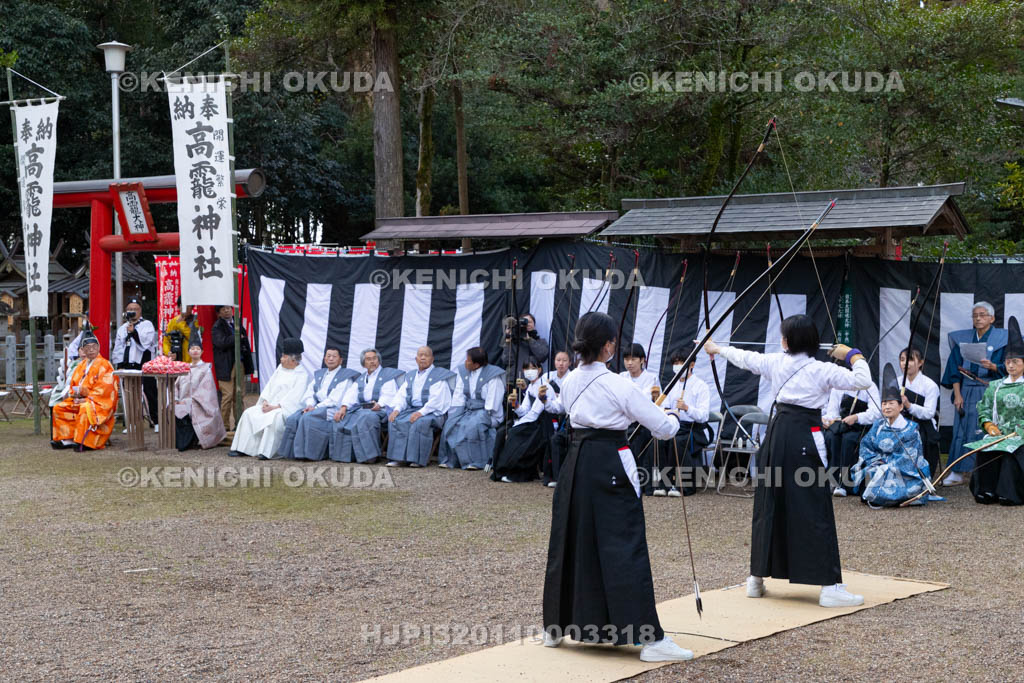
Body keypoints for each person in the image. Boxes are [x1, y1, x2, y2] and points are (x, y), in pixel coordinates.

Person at [543, 312, 691, 662]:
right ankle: (650, 640)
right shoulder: (620, 384)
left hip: (577, 463)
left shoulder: (570, 380)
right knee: (623, 544)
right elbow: (663, 429)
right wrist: (672, 415)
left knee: (571, 538)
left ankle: (555, 626)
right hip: (610, 460)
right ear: (609, 346)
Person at [704, 314, 872, 608]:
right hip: (806, 438)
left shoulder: (776, 362)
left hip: (776, 436)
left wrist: (717, 349)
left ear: (786, 342)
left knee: (769, 502)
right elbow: (863, 380)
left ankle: (756, 580)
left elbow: (745, 357)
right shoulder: (821, 370)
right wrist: (853, 355)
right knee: (813, 506)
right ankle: (829, 586)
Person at [851, 363, 940, 507]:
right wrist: (877, 462)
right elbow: (866, 446)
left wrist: (886, 466)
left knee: (890, 480)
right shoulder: (878, 426)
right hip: (879, 466)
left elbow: (910, 458)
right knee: (869, 473)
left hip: (904, 472)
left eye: (891, 403)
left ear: (900, 406)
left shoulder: (911, 429)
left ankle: (886, 495)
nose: (887, 407)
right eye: (884, 403)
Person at [940, 301, 1007, 485]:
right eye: (975, 315)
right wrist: (957, 394)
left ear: (992, 318)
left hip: (991, 389)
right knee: (963, 429)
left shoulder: (1003, 339)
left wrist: (994, 366)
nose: (978, 318)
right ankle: (958, 472)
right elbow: (954, 368)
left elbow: (1012, 366)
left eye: (983, 315)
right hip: (967, 390)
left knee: (989, 429)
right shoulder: (964, 339)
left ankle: (989, 474)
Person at [965, 316, 1024, 505]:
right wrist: (988, 425)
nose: (1011, 365)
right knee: (987, 449)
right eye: (1008, 362)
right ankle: (986, 490)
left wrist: (1018, 431)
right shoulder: (996, 385)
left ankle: (1011, 493)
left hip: (1019, 433)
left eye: (1015, 361)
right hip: (998, 431)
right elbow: (984, 407)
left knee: (1011, 453)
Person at [229, 338, 309, 458]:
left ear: (292, 359)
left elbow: (295, 398)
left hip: (283, 408)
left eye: (284, 356)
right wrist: (265, 401)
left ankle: (266, 452)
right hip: (269, 404)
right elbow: (269, 386)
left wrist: (275, 407)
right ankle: (242, 448)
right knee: (249, 413)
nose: (281, 359)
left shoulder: (302, 375)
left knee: (274, 418)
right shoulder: (280, 369)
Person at [280, 347, 358, 460]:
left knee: (308, 417)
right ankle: (289, 453)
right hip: (316, 407)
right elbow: (310, 392)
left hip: (333, 409)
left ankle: (308, 454)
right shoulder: (320, 374)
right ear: (324, 359)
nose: (331, 359)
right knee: (293, 418)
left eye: (334, 356)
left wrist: (315, 407)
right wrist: (310, 405)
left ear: (341, 360)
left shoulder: (345, 376)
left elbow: (334, 399)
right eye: (328, 356)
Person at [330, 349, 403, 463]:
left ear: (379, 360)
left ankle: (370, 456)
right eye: (368, 359)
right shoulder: (361, 378)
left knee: (365, 417)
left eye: (374, 358)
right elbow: (351, 394)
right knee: (340, 418)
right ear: (363, 363)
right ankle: (347, 456)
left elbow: (390, 394)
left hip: (382, 410)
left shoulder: (387, 375)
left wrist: (379, 404)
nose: (372, 361)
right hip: (363, 409)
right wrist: (343, 408)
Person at [386, 347, 455, 467]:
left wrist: (421, 412)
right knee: (395, 420)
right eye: (420, 355)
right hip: (412, 409)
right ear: (416, 359)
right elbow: (402, 395)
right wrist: (397, 409)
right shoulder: (411, 376)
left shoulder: (439, 375)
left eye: (426, 355)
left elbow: (437, 401)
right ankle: (398, 458)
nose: (423, 358)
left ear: (432, 359)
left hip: (432, 413)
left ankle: (416, 459)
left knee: (420, 423)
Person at [491, 360, 558, 483]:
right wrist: (515, 404)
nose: (529, 371)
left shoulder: (544, 386)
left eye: (533, 368)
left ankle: (518, 473)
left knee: (515, 433)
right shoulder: (531, 387)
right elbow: (525, 410)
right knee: (502, 432)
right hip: (532, 420)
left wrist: (518, 424)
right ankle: (502, 469)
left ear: (539, 370)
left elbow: (535, 412)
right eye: (526, 369)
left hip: (543, 422)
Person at [657, 347, 711, 497]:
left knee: (678, 441)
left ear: (691, 364)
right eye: (675, 363)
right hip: (673, 424)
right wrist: (667, 410)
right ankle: (664, 483)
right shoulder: (671, 384)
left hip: (692, 429)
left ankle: (684, 486)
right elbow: (661, 406)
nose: (677, 366)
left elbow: (704, 416)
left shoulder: (701, 386)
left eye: (681, 363)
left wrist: (687, 408)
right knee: (659, 440)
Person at [439, 347, 505, 470]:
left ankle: (475, 462)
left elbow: (493, 402)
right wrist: (455, 414)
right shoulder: (464, 372)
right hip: (468, 409)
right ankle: (453, 460)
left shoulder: (493, 375)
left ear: (476, 364)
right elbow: (459, 395)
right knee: (452, 424)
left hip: (488, 412)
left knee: (470, 426)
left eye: (468, 360)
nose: (465, 362)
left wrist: (483, 414)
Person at [51, 334, 119, 451]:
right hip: (81, 398)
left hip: (98, 402)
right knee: (59, 408)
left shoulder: (105, 365)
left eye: (94, 346)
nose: (91, 349)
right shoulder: (81, 364)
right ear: (82, 350)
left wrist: (86, 398)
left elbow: (105, 390)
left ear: (98, 348)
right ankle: (68, 438)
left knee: (84, 408)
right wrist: (75, 393)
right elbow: (73, 384)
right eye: (87, 347)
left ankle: (85, 440)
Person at [822, 382, 881, 497]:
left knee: (848, 439)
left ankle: (845, 483)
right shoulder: (839, 385)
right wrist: (828, 420)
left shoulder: (870, 386)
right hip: (841, 424)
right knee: (831, 437)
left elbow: (876, 412)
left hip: (860, 426)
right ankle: (832, 480)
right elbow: (832, 412)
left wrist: (857, 417)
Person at [619, 343, 662, 496]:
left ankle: (644, 485)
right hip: (624, 421)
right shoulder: (621, 377)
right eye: (626, 359)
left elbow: (646, 401)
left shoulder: (651, 378)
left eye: (633, 359)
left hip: (643, 423)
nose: (629, 363)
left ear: (642, 360)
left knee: (638, 444)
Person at [112, 297, 158, 427]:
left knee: (150, 391)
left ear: (140, 311)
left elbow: (146, 343)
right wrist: (119, 365)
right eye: (129, 310)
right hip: (127, 363)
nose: (132, 312)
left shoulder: (147, 324)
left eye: (134, 309)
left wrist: (134, 333)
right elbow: (118, 348)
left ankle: (156, 421)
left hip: (143, 362)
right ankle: (131, 422)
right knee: (129, 393)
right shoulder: (122, 328)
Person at [174, 339, 227, 451]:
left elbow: (207, 390)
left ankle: (191, 441)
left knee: (187, 409)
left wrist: (190, 401)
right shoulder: (184, 368)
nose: (195, 351)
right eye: (192, 349)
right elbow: (176, 386)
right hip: (182, 401)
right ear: (188, 352)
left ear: (202, 352)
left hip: (199, 403)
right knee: (176, 408)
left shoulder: (206, 369)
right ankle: (182, 441)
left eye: (198, 349)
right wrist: (176, 399)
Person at [899, 346, 941, 480]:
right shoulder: (897, 382)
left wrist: (909, 405)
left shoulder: (930, 385)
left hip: (923, 424)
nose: (905, 363)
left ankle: (921, 478)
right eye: (902, 359)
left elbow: (929, 413)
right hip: (901, 421)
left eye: (910, 360)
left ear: (921, 363)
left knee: (919, 439)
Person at [212, 304, 254, 431]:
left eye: (228, 308)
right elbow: (221, 343)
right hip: (226, 366)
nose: (226, 310)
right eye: (223, 309)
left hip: (239, 362)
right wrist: (236, 336)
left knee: (239, 395)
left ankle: (239, 425)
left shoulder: (237, 323)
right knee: (228, 396)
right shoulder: (217, 326)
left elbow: (245, 341)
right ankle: (224, 426)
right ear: (219, 313)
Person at [541, 350, 573, 488]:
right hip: (551, 415)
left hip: (571, 419)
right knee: (550, 436)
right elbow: (555, 406)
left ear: (570, 362)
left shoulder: (573, 378)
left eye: (564, 360)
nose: (561, 363)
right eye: (558, 360)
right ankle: (552, 475)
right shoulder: (547, 377)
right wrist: (544, 399)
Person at [163, 298, 201, 362]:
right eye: (182, 305)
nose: (185, 308)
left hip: (192, 360)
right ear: (178, 307)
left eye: (188, 306)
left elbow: (193, 338)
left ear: (192, 307)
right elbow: (166, 341)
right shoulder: (173, 322)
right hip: (177, 361)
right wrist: (168, 353)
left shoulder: (196, 321)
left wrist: (181, 323)